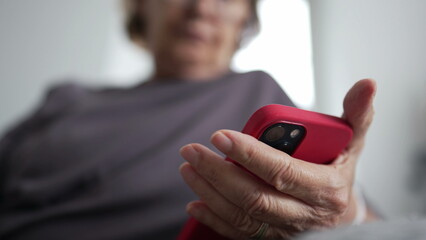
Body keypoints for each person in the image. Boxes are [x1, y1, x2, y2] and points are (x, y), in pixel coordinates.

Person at [0, 0, 377, 239]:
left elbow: (376, 223)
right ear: (141, 6)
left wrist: (348, 210)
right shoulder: (67, 98)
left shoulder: (261, 96)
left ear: (245, 14)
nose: (202, 8)